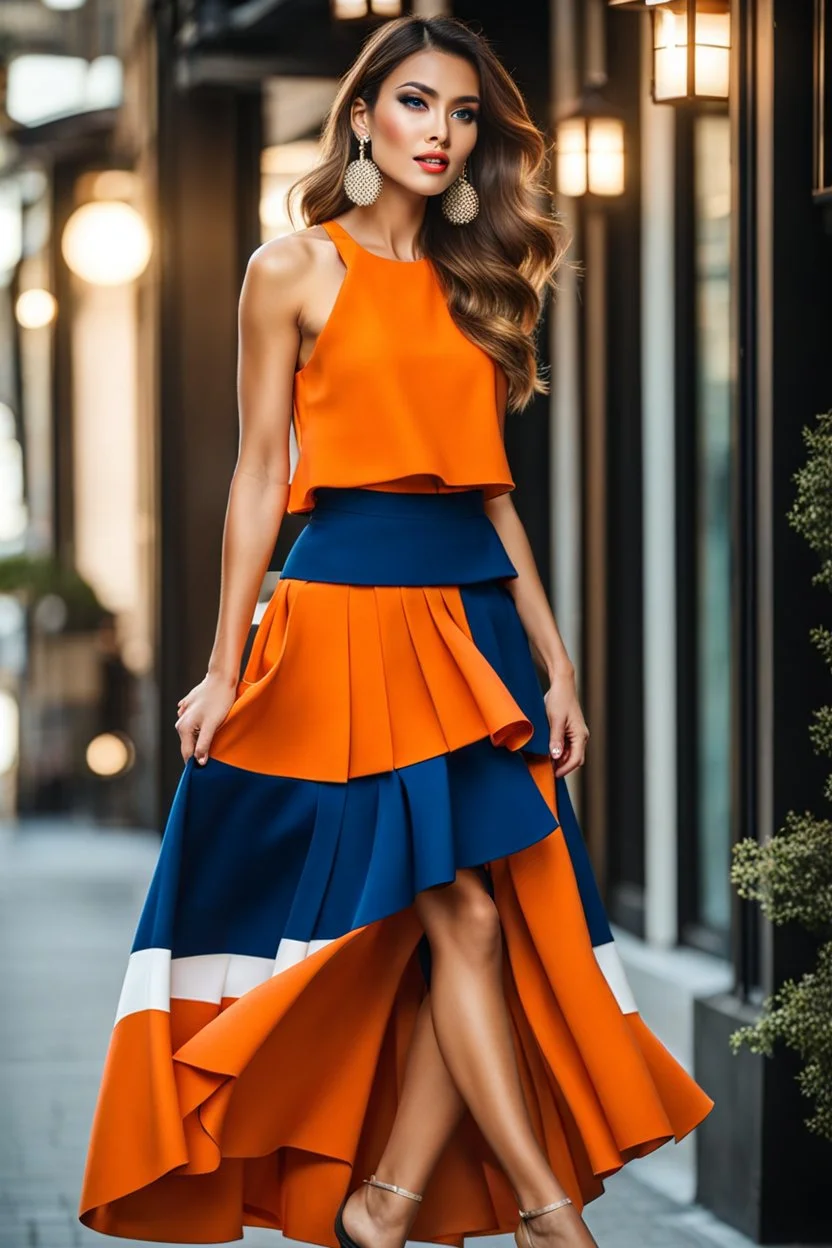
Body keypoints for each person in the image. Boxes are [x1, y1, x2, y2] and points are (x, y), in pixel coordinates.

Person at [79, 15, 713, 1248]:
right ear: (364, 116)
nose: (442, 132)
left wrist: (557, 659)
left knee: (472, 929)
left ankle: (388, 1203)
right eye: (418, 103)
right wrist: (222, 667)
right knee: (463, 919)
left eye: (464, 113)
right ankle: (545, 1216)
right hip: (343, 630)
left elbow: (488, 491)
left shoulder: (478, 283)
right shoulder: (292, 268)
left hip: (467, 630)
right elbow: (259, 476)